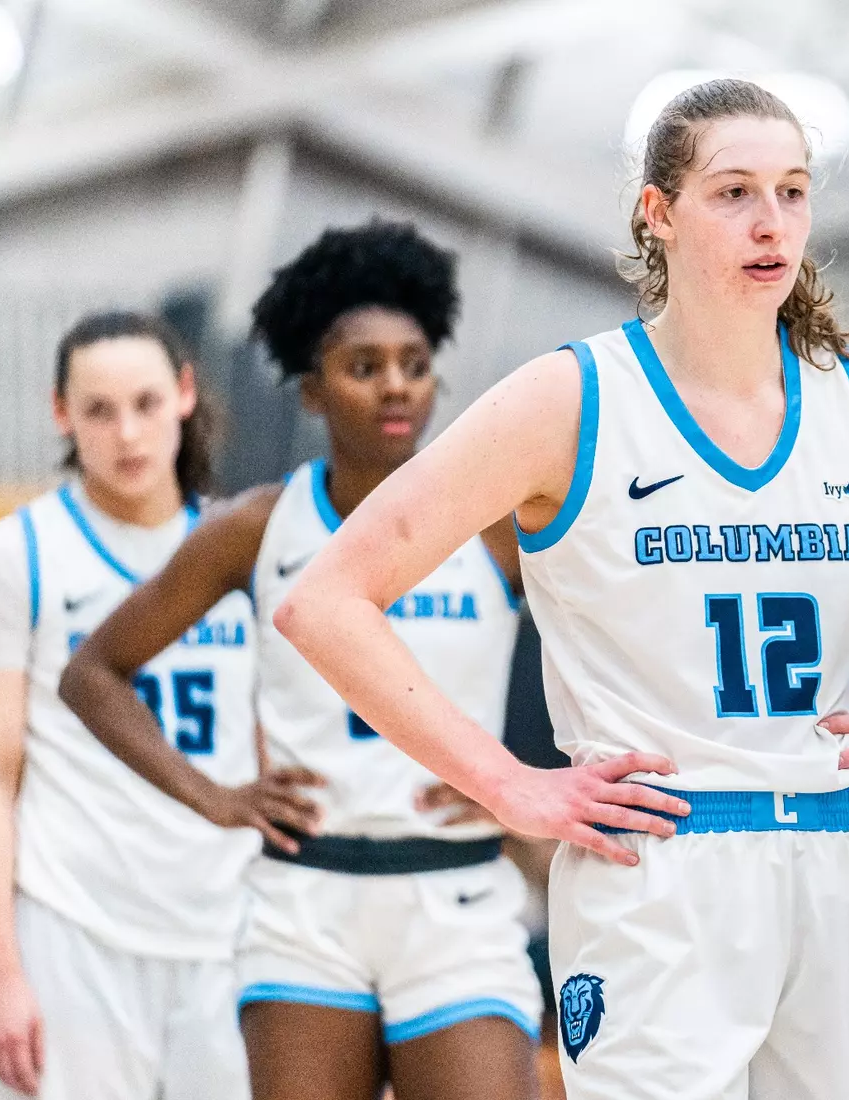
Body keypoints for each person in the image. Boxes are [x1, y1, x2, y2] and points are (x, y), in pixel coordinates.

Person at [272, 78, 849, 1100]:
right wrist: (511, 784)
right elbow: (323, 599)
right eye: (734, 192)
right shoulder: (574, 398)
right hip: (659, 858)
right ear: (659, 212)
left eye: (792, 191)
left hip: (839, 857)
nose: (771, 222)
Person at [57, 222, 544, 1100]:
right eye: (364, 366)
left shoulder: (499, 522)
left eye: (415, 361)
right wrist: (213, 795)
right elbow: (92, 672)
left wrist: (522, 786)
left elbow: (620, 651)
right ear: (314, 391)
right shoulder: (256, 527)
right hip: (305, 904)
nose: (396, 383)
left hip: (457, 898)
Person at [0, 311, 258, 1099]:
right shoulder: (15, 554)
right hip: (71, 931)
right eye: (98, 410)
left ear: (185, 395)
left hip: (228, 934)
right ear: (61, 413)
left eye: (147, 403)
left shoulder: (240, 549)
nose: (127, 433)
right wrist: (1, 970)